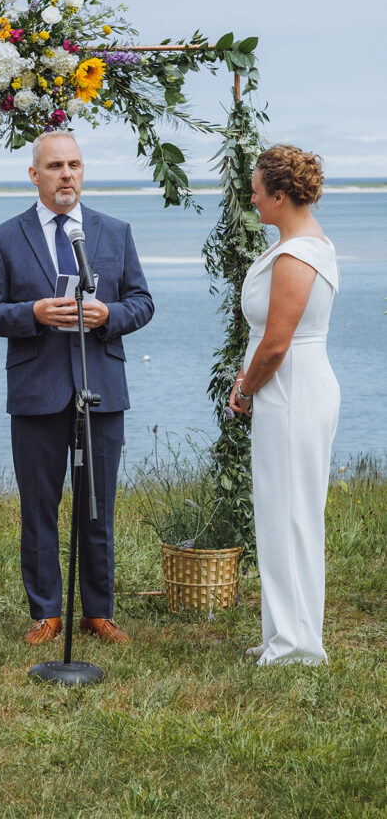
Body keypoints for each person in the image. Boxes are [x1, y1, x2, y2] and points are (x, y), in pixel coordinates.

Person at [0, 130, 154, 646]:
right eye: (55, 166)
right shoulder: (4, 237)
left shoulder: (114, 232)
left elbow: (142, 300)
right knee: (39, 506)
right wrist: (31, 313)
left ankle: (98, 611)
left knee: (98, 505)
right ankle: (47, 612)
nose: (66, 174)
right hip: (36, 389)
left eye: (74, 164)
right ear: (35, 175)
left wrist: (108, 315)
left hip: (102, 387)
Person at [229, 144, 340, 666]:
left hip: (292, 390)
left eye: (255, 191)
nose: (251, 198)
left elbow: (276, 344)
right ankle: (284, 632)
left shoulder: (298, 255)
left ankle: (296, 646)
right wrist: (248, 378)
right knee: (280, 511)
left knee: (292, 513)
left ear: (279, 195)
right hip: (288, 386)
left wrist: (247, 388)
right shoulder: (299, 244)